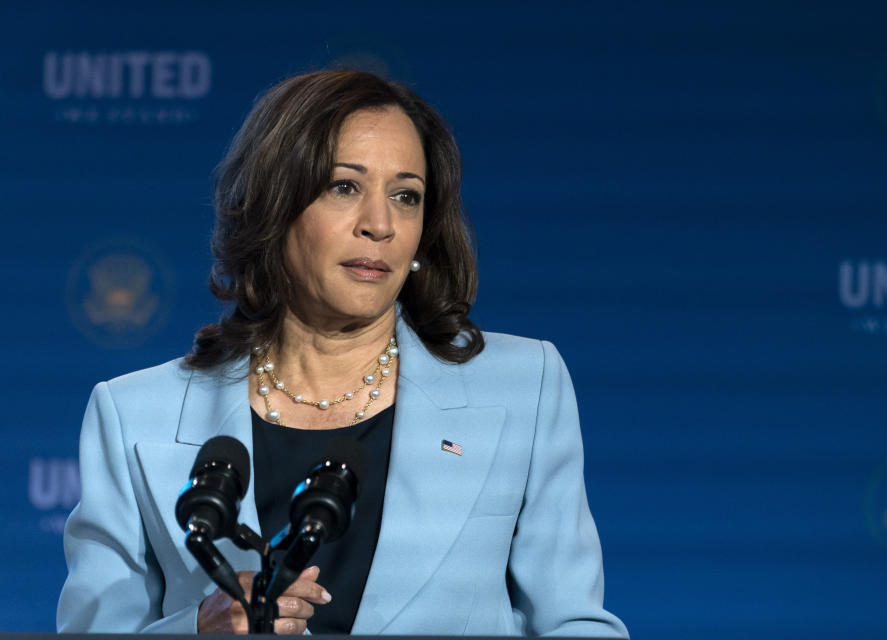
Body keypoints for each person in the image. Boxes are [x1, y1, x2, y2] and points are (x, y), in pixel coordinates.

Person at [57, 69, 628, 637]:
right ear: (275, 206)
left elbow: (576, 624)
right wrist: (198, 630)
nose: (379, 225)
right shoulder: (133, 415)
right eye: (344, 186)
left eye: (406, 196)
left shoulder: (523, 386)